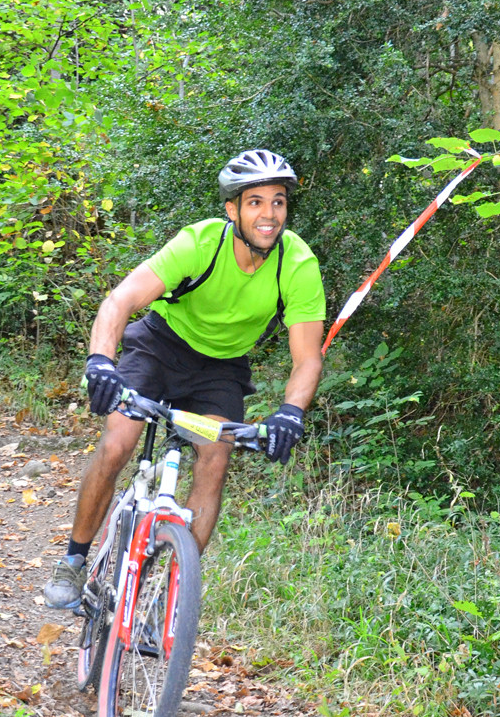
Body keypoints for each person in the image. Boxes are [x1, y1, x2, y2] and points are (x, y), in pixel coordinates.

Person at [44, 148, 326, 609]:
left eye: (278, 201)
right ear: (232, 209)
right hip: (159, 346)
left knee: (215, 459)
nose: (269, 214)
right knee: (118, 442)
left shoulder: (296, 263)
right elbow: (120, 301)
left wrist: (291, 412)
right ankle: (73, 562)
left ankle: (173, 591)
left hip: (221, 368)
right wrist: (100, 362)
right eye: (255, 202)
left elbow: (307, 358)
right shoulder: (199, 243)